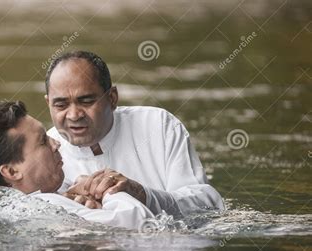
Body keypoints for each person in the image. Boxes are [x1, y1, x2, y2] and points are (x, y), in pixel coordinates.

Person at [44, 50, 224, 217]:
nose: (74, 115)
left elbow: (207, 205)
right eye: (61, 105)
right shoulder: (43, 151)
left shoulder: (158, 126)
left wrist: (141, 194)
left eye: (86, 101)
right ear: (48, 104)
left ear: (112, 98)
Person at [0, 100, 154, 229]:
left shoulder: (9, 208)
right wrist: (106, 189)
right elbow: (137, 220)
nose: (56, 142)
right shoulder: (45, 206)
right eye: (43, 141)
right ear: (11, 171)